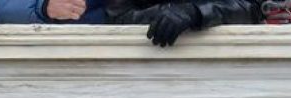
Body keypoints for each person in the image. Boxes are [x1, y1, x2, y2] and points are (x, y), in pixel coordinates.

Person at [110, 0, 258, 45]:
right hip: (151, 64)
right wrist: (165, 12)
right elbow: (117, 16)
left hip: (221, 61)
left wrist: (197, 12)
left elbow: (252, 8)